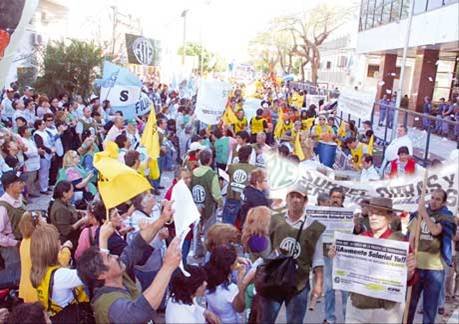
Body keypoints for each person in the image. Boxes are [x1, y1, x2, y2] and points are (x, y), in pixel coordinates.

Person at [76, 204, 182, 324]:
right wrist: (168, 266)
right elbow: (139, 313)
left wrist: (162, 219)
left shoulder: (119, 272)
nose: (116, 256)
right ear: (101, 275)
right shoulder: (107, 303)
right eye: (110, 257)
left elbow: (137, 245)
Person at [329, 197, 417, 323]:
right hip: (358, 307)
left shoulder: (400, 242)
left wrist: (410, 271)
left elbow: (407, 280)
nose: (373, 217)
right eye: (371, 212)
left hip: (387, 311)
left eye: (379, 213)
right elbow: (346, 270)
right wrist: (336, 255)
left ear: (390, 217)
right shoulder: (358, 239)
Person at [258, 184, 325, 323]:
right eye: (292, 196)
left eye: (299, 197)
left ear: (305, 201)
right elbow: (264, 252)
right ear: (287, 199)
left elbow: (318, 259)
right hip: (274, 280)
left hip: (298, 284)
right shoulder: (274, 221)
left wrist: (318, 284)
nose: (295, 200)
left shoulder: (314, 227)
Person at [407, 189, 456, 324]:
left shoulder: (446, 216)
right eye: (432, 198)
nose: (433, 201)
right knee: (409, 306)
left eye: (438, 199)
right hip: (416, 267)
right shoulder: (419, 214)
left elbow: (435, 231)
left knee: (429, 309)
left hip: (434, 269)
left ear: (444, 202)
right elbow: (411, 239)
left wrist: (425, 215)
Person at [30, 222, 89, 317]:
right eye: (58, 239)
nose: (60, 241)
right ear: (52, 247)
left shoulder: (39, 271)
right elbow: (93, 272)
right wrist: (103, 239)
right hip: (73, 316)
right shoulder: (60, 276)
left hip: (56, 316)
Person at [18, 212, 72, 303]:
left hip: (26, 288)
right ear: (37, 223)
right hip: (39, 289)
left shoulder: (24, 241)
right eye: (42, 218)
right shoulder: (40, 242)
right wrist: (66, 248)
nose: (45, 219)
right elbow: (61, 261)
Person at [204, 244, 251, 324]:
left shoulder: (205, 276)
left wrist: (236, 259)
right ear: (229, 266)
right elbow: (240, 308)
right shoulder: (231, 290)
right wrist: (241, 282)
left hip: (211, 316)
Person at [190, 149, 223, 258]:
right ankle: (208, 254)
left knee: (197, 229)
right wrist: (221, 203)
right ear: (210, 160)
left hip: (195, 206)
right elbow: (216, 194)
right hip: (208, 207)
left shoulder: (193, 172)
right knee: (209, 231)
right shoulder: (211, 174)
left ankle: (197, 251)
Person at [0, 171, 26, 288]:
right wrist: (15, 243)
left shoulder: (19, 198)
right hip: (11, 250)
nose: (23, 184)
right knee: (15, 277)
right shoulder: (2, 207)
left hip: (23, 243)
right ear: (10, 186)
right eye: (20, 182)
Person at [222, 145, 256, 225]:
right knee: (242, 227)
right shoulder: (253, 169)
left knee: (227, 226)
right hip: (245, 200)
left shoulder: (231, 167)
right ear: (249, 157)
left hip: (231, 197)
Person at [49, 181, 88, 246]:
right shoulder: (61, 209)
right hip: (66, 240)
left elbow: (70, 209)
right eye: (72, 191)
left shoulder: (63, 201)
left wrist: (80, 211)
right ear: (64, 193)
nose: (73, 193)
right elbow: (66, 231)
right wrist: (82, 221)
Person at [17, 126, 41, 197]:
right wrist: (37, 151)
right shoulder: (22, 141)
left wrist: (37, 151)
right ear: (23, 132)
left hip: (35, 162)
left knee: (33, 179)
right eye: (27, 130)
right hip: (29, 163)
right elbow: (27, 153)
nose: (29, 131)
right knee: (28, 180)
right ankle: (26, 195)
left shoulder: (30, 140)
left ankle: (31, 191)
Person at [33, 119, 54, 194]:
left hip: (49, 154)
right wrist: (49, 150)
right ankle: (43, 189)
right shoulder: (37, 134)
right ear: (38, 126)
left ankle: (46, 186)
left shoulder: (45, 132)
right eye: (42, 124)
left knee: (47, 171)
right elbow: (40, 145)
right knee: (43, 173)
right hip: (43, 155)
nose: (44, 125)